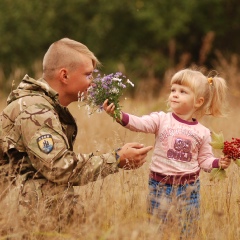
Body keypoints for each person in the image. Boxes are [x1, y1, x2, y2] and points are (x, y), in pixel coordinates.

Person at [0, 38, 153, 233]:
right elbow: (57, 168)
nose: (93, 83)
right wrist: (116, 159)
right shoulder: (36, 110)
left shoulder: (43, 105)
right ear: (64, 75)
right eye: (88, 75)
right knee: (49, 190)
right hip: (9, 209)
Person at [103, 68, 231, 237]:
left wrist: (217, 163)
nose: (175, 94)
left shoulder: (203, 132)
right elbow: (139, 123)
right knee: (158, 229)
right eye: (173, 90)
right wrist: (118, 115)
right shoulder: (162, 119)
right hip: (159, 185)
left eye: (183, 91)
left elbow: (204, 160)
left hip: (188, 189)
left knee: (188, 231)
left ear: (198, 102)